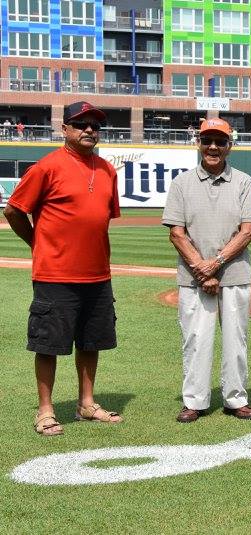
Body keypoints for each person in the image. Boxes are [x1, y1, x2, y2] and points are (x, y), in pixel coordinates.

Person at [4, 101, 123, 436]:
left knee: (91, 341)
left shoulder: (106, 170)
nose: (88, 130)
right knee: (49, 343)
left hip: (98, 274)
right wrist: (38, 243)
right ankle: (45, 410)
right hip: (55, 274)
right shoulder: (47, 167)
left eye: (94, 125)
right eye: (80, 124)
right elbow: (14, 210)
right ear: (65, 129)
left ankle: (87, 403)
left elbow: (101, 220)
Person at [162, 118, 251, 423]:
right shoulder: (181, 183)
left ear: (229, 146)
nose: (213, 147)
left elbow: (246, 232)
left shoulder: (243, 181)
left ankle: (236, 398)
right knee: (195, 339)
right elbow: (177, 233)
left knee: (236, 339)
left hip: (234, 273)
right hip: (193, 277)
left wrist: (214, 265)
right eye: (208, 141)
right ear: (199, 143)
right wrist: (202, 271)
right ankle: (195, 400)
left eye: (220, 141)